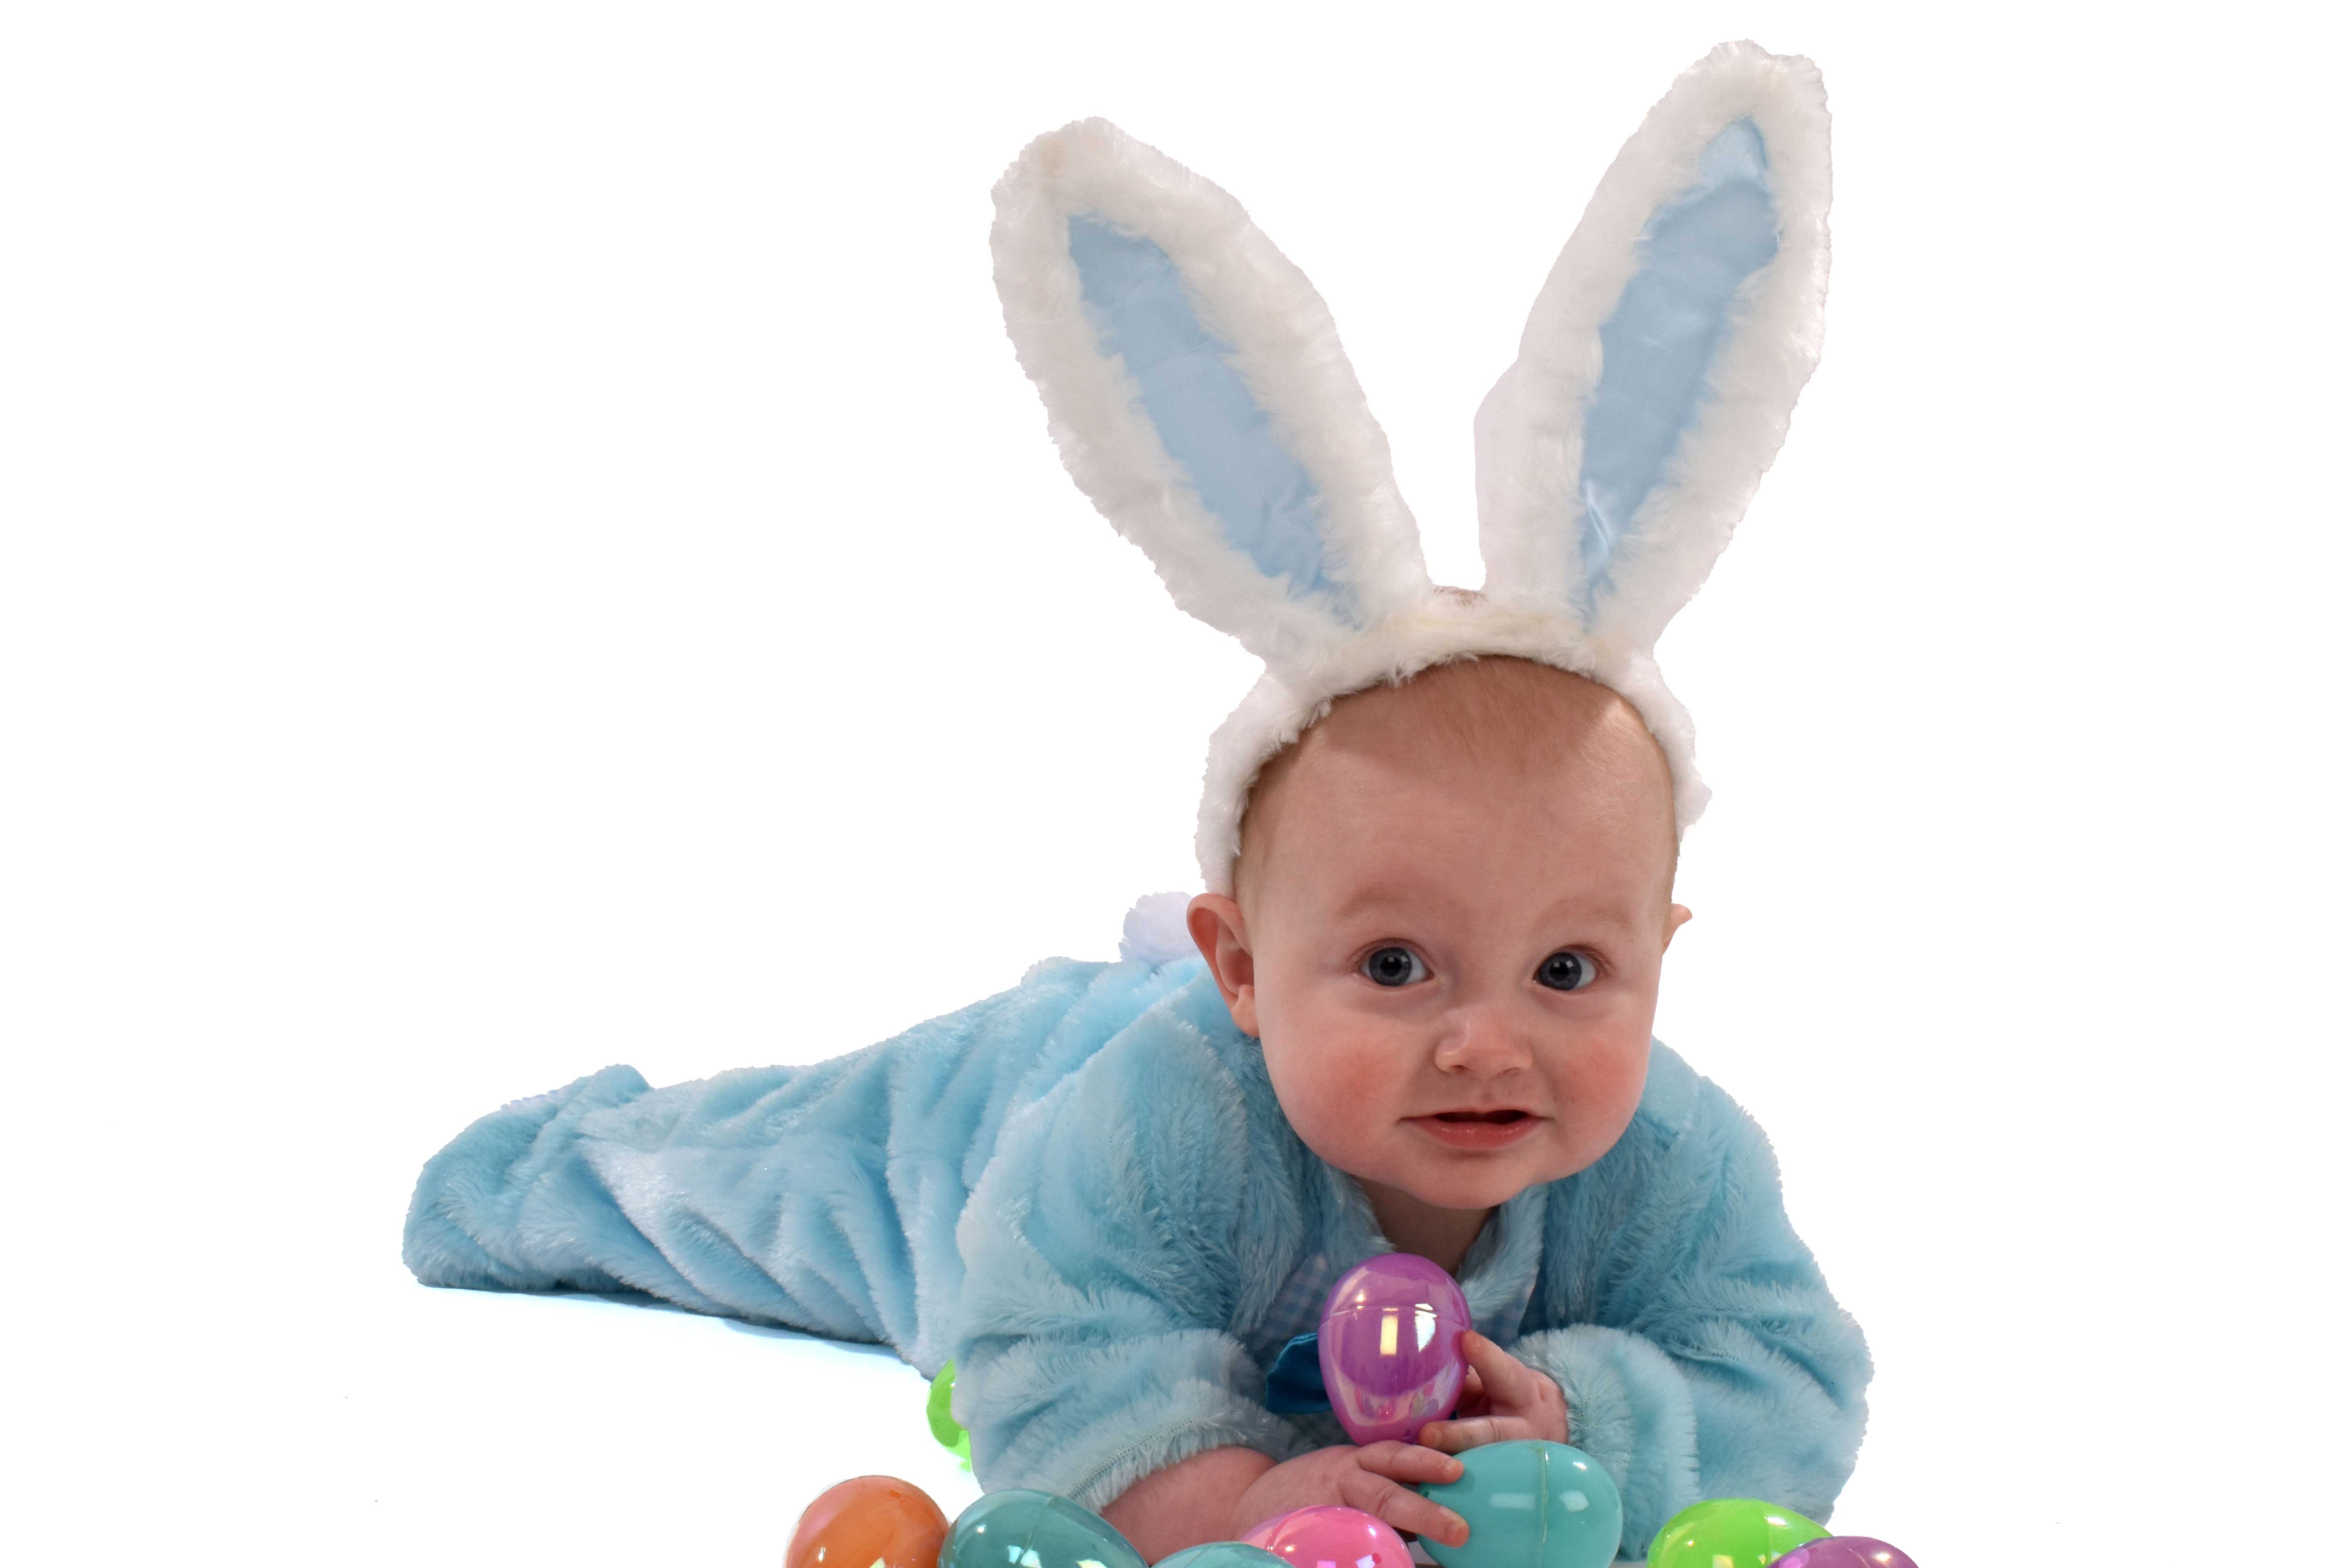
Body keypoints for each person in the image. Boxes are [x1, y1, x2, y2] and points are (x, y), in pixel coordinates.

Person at [404, 41, 1870, 1564]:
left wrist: (1585, 1425)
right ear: (1241, 968)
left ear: (1659, 955)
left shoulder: (1670, 1157)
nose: (1487, 1043)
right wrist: (1231, 1501)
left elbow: (1793, 1373)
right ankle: (534, 1169)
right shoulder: (1157, 1131)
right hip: (1010, 1110)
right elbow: (1048, 1349)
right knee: (773, 1181)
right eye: (1394, 965)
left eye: (1568, 969)